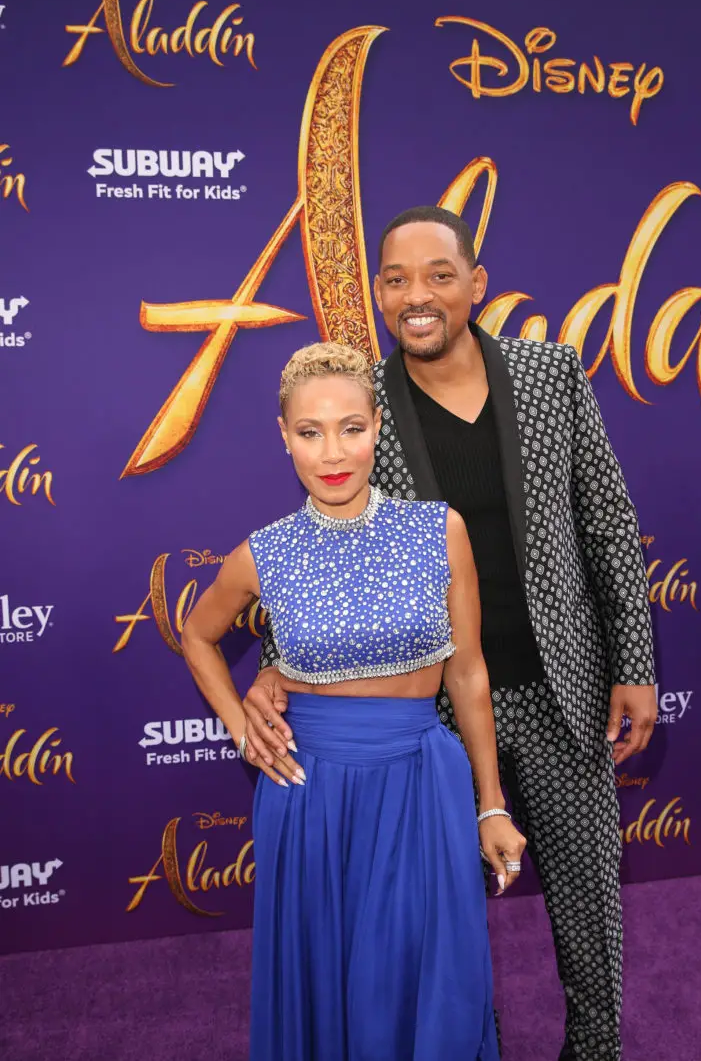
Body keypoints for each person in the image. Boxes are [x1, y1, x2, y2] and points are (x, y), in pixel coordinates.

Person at [244, 207, 657, 1061]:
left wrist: (634, 663)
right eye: (396, 280)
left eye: (439, 275)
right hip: (431, 724)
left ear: (477, 284)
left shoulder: (549, 374)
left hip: (562, 696)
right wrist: (277, 667)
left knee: (591, 918)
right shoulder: (362, 406)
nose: (417, 296)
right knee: (441, 938)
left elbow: (609, 523)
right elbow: (329, 551)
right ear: (378, 294)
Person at [180, 341, 526, 1061]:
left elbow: (467, 674)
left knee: (426, 977)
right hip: (311, 793)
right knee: (326, 979)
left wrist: (490, 804)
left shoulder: (440, 530)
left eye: (351, 428)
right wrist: (241, 726)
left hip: (422, 783)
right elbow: (198, 634)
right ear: (284, 436)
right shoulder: (264, 553)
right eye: (310, 432)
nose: (332, 452)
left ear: (378, 427)